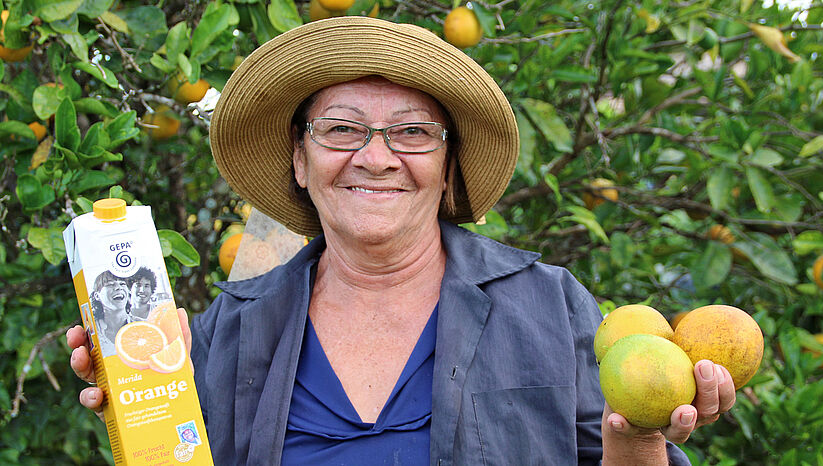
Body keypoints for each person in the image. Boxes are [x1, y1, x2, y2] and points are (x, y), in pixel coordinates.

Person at [68, 17, 736, 465]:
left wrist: (638, 436)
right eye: (340, 130)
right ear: (300, 161)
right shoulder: (235, 324)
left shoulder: (547, 304)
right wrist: (145, 410)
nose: (377, 157)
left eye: (413, 132)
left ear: (447, 166)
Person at [89, 270, 131, 357]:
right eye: (110, 284)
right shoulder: (93, 330)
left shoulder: (141, 323)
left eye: (122, 284)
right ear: (97, 296)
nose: (118, 288)